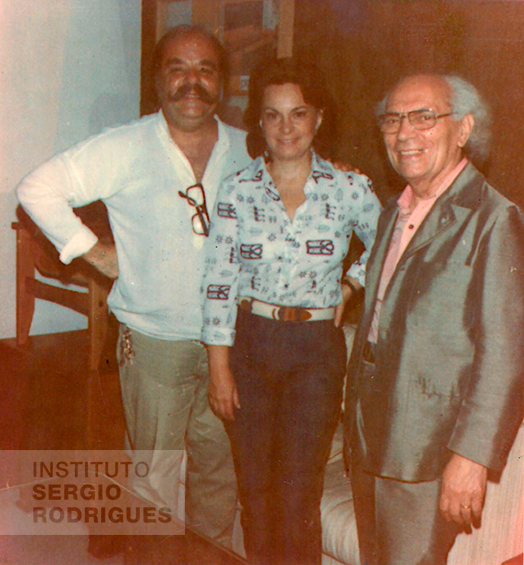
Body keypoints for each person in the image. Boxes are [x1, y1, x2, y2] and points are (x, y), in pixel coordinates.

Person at [16, 24, 252, 560]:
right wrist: (94, 252)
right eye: (177, 68)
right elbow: (36, 188)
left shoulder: (247, 148)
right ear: (157, 79)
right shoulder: (124, 145)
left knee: (219, 476)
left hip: (231, 348)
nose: (192, 82)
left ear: (223, 82)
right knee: (154, 485)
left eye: (205, 70)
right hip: (154, 346)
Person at [201, 57, 382, 565]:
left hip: (315, 352)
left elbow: (394, 242)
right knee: (255, 489)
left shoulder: (349, 188)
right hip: (251, 342)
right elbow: (218, 280)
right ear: (258, 122)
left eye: (298, 114)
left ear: (318, 118)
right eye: (273, 115)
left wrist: (351, 284)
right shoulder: (237, 190)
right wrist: (219, 366)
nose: (286, 127)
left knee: (299, 492)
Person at [344, 73, 524, 565]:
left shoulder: (493, 218)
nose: (405, 133)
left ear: (463, 129)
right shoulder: (394, 211)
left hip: (430, 451)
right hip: (371, 439)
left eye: (425, 117)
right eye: (393, 119)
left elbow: (506, 355)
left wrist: (470, 459)